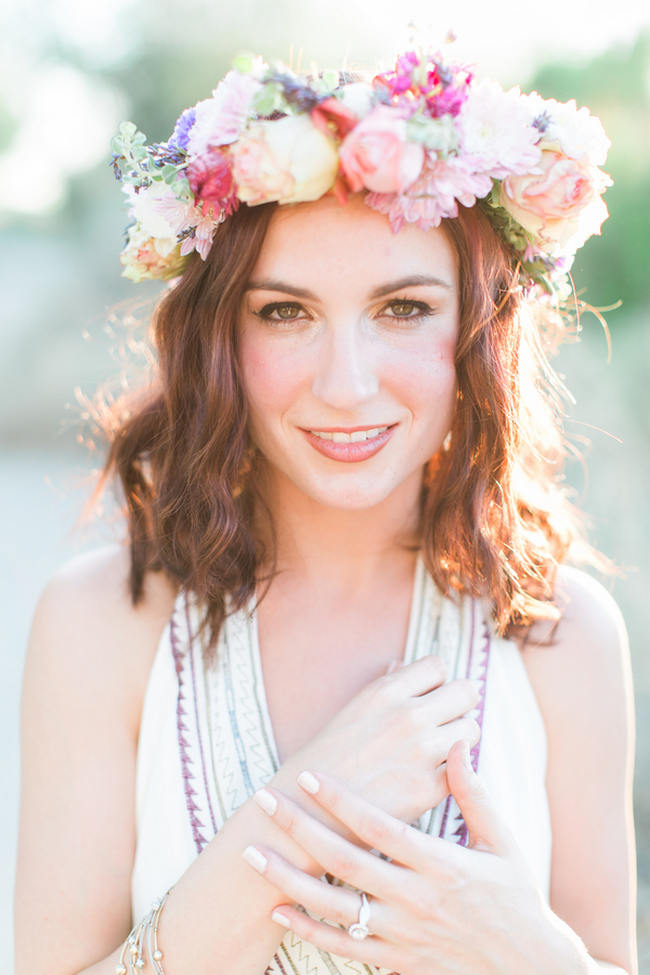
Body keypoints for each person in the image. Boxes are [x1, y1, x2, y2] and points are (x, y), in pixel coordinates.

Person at [14, 41, 637, 975]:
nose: (346, 386)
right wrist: (306, 814)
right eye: (284, 313)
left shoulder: (562, 637)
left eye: (403, 309)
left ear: (477, 330)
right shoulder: (105, 626)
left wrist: (525, 951)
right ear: (219, 337)